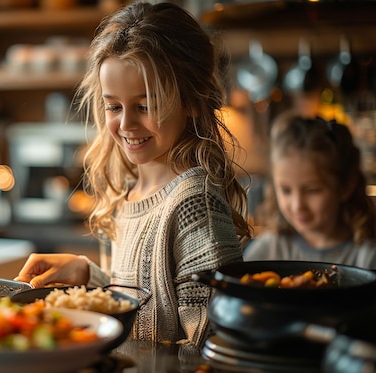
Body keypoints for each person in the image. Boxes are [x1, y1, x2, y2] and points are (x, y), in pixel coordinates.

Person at [14, 1, 251, 347]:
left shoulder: (193, 203)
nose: (126, 124)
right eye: (114, 106)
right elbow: (143, 306)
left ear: (191, 100)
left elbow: (212, 344)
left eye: (145, 106)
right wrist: (89, 277)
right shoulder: (129, 190)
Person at [243, 114, 376, 307]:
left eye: (313, 190)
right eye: (286, 190)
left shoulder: (371, 259)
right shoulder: (265, 252)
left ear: (345, 186)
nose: (298, 205)